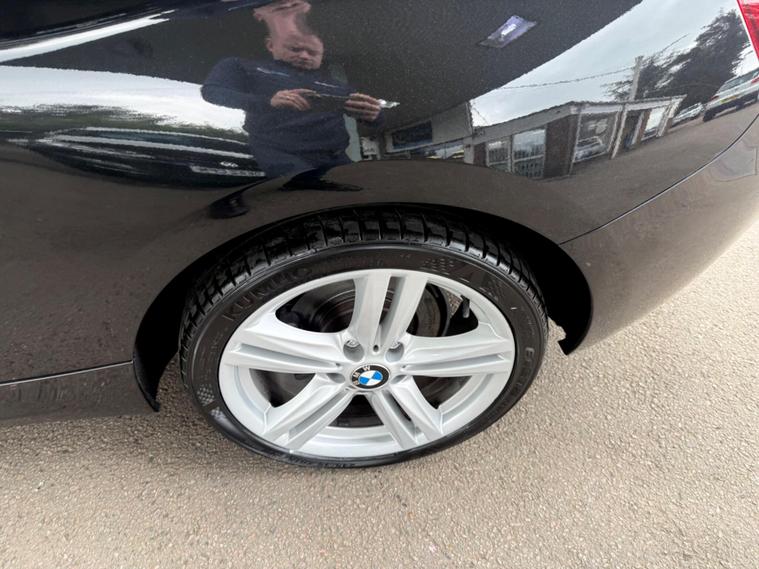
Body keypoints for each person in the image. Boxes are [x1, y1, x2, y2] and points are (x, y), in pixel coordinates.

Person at [201, 3, 382, 180]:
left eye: (312, 53)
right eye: (295, 49)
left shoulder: (338, 86)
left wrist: (373, 115)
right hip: (279, 156)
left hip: (335, 158)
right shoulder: (244, 66)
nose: (304, 55)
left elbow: (374, 119)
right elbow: (212, 91)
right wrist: (268, 102)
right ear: (271, 45)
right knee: (304, 192)